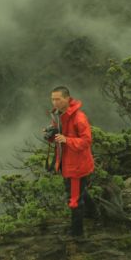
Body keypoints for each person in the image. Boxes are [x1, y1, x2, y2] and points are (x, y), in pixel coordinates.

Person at [47, 86, 95, 238]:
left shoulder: (79, 118)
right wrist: (51, 134)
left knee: (74, 199)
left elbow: (86, 141)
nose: (55, 102)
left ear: (67, 98)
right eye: (53, 99)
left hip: (76, 165)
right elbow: (59, 136)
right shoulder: (59, 115)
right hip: (67, 162)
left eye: (58, 99)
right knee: (80, 191)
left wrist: (67, 140)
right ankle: (94, 213)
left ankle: (77, 234)